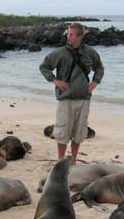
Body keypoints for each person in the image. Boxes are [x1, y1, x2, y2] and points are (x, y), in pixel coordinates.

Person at [39, 23, 104, 165]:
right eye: (68, 34)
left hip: (84, 98)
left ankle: (73, 161)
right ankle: (61, 161)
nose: (69, 37)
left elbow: (99, 67)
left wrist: (95, 82)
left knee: (79, 133)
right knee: (62, 132)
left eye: (72, 34)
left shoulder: (89, 52)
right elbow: (44, 66)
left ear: (80, 36)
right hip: (65, 99)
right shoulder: (59, 53)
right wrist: (54, 80)